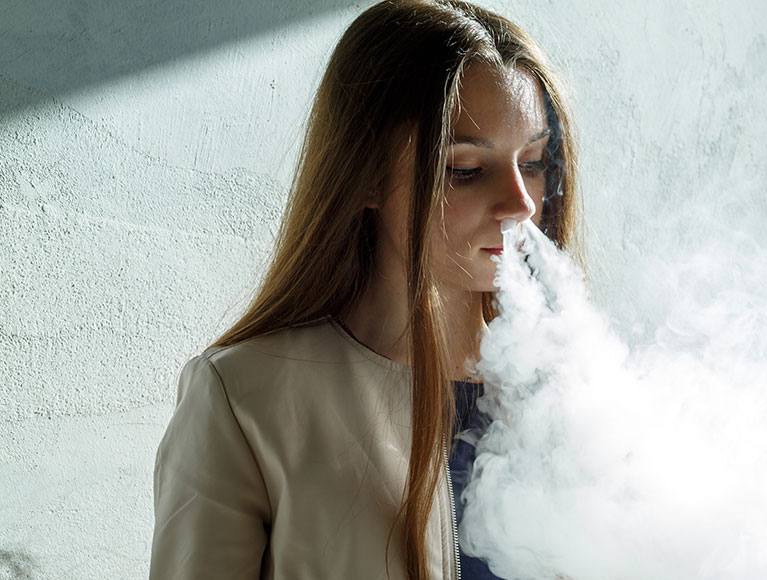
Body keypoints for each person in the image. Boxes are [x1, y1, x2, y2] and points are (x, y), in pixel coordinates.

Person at [148, 0, 581, 578]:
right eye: (466, 170)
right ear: (369, 174)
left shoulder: (570, 394)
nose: (521, 203)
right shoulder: (247, 400)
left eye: (531, 162)